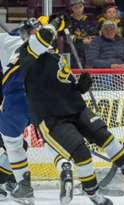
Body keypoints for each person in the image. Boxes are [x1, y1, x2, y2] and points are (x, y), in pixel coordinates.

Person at [18, 16, 124, 205]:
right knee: (82, 153)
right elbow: (44, 35)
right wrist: (54, 23)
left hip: (75, 107)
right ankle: (94, 194)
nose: (37, 34)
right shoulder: (27, 53)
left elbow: (62, 82)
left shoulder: (52, 53)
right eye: (33, 32)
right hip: (52, 117)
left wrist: (79, 86)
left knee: (105, 137)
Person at [0, 17, 75, 204]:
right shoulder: (52, 51)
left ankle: (23, 185)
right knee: (48, 139)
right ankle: (64, 166)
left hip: (15, 98)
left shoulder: (10, 42)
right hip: (44, 98)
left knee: (13, 144)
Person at [68, 0, 98, 67]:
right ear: (72, 8)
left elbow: (95, 33)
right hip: (75, 45)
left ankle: (89, 70)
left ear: (84, 7)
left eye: (80, 7)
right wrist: (82, 41)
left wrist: (91, 39)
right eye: (76, 7)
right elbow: (68, 36)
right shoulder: (68, 21)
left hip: (89, 43)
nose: (79, 9)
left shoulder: (90, 19)